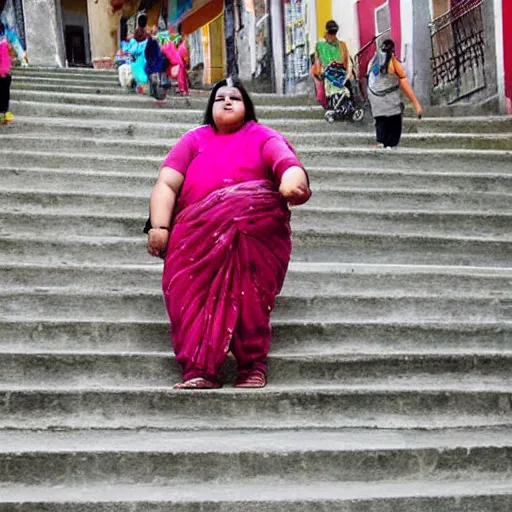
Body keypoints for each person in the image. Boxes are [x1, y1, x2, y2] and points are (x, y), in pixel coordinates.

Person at [146, 78, 311, 390]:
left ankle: (252, 367)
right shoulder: (193, 140)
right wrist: (159, 227)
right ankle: (198, 369)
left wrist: (293, 183)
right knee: (188, 294)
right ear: (210, 107)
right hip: (195, 237)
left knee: (250, 298)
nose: (226, 101)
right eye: (219, 97)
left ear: (247, 105)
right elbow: (167, 183)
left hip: (253, 232)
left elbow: (286, 162)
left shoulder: (263, 135)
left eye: (235, 97)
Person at [367, 39, 423, 148]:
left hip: (374, 97)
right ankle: (391, 143)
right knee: (394, 119)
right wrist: (416, 104)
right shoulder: (394, 62)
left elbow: (368, 77)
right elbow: (404, 82)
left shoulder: (373, 60)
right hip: (389, 98)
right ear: (393, 50)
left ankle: (381, 142)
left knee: (380, 119)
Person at [312, 20, 352, 110]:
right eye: (331, 32)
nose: (333, 35)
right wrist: (320, 71)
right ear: (327, 31)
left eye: (334, 32)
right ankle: (332, 106)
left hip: (341, 72)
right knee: (330, 89)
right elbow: (317, 60)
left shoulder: (342, 45)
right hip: (328, 73)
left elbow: (347, 60)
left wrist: (349, 72)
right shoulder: (320, 45)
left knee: (344, 89)